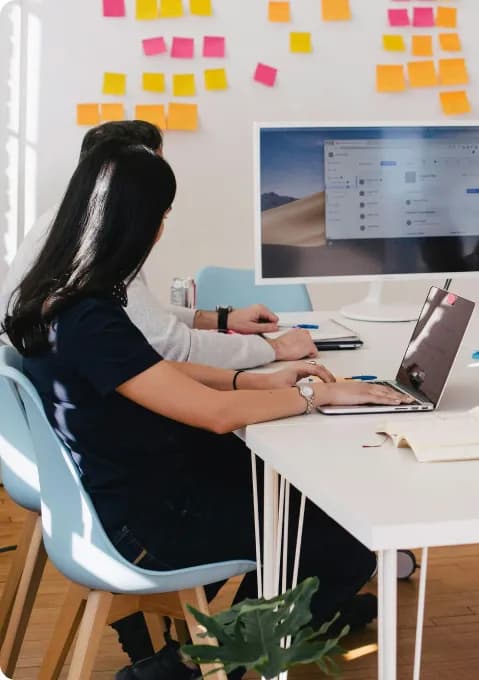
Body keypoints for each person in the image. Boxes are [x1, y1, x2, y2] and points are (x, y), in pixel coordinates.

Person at [1, 142, 411, 679]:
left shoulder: (60, 298)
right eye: (161, 217)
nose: (162, 230)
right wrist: (316, 395)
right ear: (137, 224)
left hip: (123, 496)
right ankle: (191, 669)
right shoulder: (90, 317)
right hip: (144, 527)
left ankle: (245, 632)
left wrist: (257, 379)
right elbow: (215, 414)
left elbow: (153, 374)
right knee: (343, 540)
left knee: (292, 504)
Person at [0, 120, 317, 367]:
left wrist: (220, 320)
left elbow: (132, 315)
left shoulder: (63, 224)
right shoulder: (97, 244)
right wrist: (274, 348)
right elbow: (170, 347)